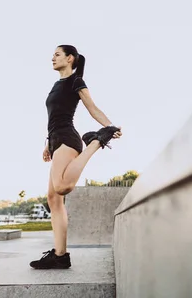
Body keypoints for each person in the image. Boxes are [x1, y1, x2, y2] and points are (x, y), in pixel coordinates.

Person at [30, 45, 122, 270]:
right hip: (55, 140)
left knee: (61, 188)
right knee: (53, 199)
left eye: (57, 54)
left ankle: (96, 141)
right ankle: (60, 256)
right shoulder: (56, 85)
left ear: (70, 58)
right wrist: (47, 144)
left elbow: (92, 107)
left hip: (67, 139)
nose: (52, 57)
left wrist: (109, 126)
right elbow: (55, 117)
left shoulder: (75, 81)